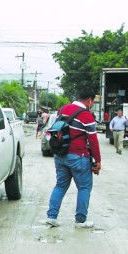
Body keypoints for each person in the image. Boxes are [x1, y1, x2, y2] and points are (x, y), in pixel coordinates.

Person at [44, 89, 102, 228]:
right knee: (84, 188)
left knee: (60, 185)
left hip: (60, 155)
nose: (92, 104)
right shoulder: (86, 116)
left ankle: (51, 217)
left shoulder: (62, 109)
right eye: (93, 102)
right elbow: (93, 140)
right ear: (89, 100)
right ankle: (80, 221)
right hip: (78, 156)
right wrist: (98, 161)